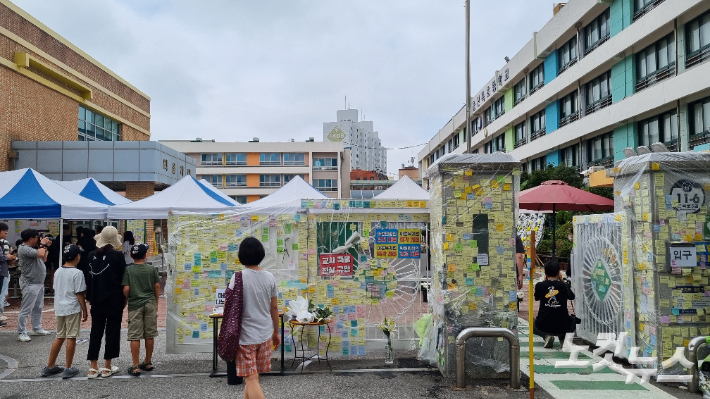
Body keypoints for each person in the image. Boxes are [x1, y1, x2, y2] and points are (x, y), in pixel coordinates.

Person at [232, 237, 280, 399]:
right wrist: (276, 332)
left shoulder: (237, 277)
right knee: (253, 376)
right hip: (265, 334)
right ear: (261, 254)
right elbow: (274, 308)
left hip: (246, 337)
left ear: (241, 255)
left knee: (251, 378)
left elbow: (228, 308)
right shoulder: (269, 277)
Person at [42, 245, 87, 379]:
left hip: (60, 307)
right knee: (71, 336)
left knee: (60, 336)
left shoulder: (58, 271)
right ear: (77, 257)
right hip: (72, 307)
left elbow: (56, 287)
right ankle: (68, 367)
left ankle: (49, 366)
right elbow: (80, 294)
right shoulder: (77, 273)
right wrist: (85, 310)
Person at [86, 226, 126, 378]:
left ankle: (92, 366)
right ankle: (107, 366)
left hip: (96, 298)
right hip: (114, 298)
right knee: (112, 331)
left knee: (96, 331)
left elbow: (89, 277)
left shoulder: (91, 255)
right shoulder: (118, 255)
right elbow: (123, 278)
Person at [122, 243, 160, 376]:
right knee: (150, 334)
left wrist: (127, 297)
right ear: (145, 255)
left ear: (131, 255)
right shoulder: (151, 269)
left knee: (135, 335)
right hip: (150, 303)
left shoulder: (129, 270)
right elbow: (157, 287)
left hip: (135, 304)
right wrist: (156, 303)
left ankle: (135, 365)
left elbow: (126, 289)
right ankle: (148, 361)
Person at [17, 229, 52, 342]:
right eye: (37, 237)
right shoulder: (23, 249)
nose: (39, 239)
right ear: (31, 238)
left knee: (38, 307)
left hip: (38, 282)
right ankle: (21, 332)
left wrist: (46, 246)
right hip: (30, 283)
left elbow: (44, 258)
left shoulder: (33, 248)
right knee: (26, 309)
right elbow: (40, 254)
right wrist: (43, 244)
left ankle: (36, 328)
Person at [533, 261, 575, 348]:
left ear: (545, 272)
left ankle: (547, 336)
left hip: (543, 323)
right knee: (572, 321)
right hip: (563, 324)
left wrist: (545, 282)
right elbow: (571, 297)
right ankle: (562, 338)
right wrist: (562, 281)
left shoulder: (540, 285)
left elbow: (537, 298)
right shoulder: (564, 285)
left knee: (533, 323)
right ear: (558, 272)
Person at [0, 223, 16, 325]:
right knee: (1, 294)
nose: (6, 233)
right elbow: (1, 257)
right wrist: (8, 257)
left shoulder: (2, 243)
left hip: (3, 270)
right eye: (4, 231)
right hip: (1, 271)